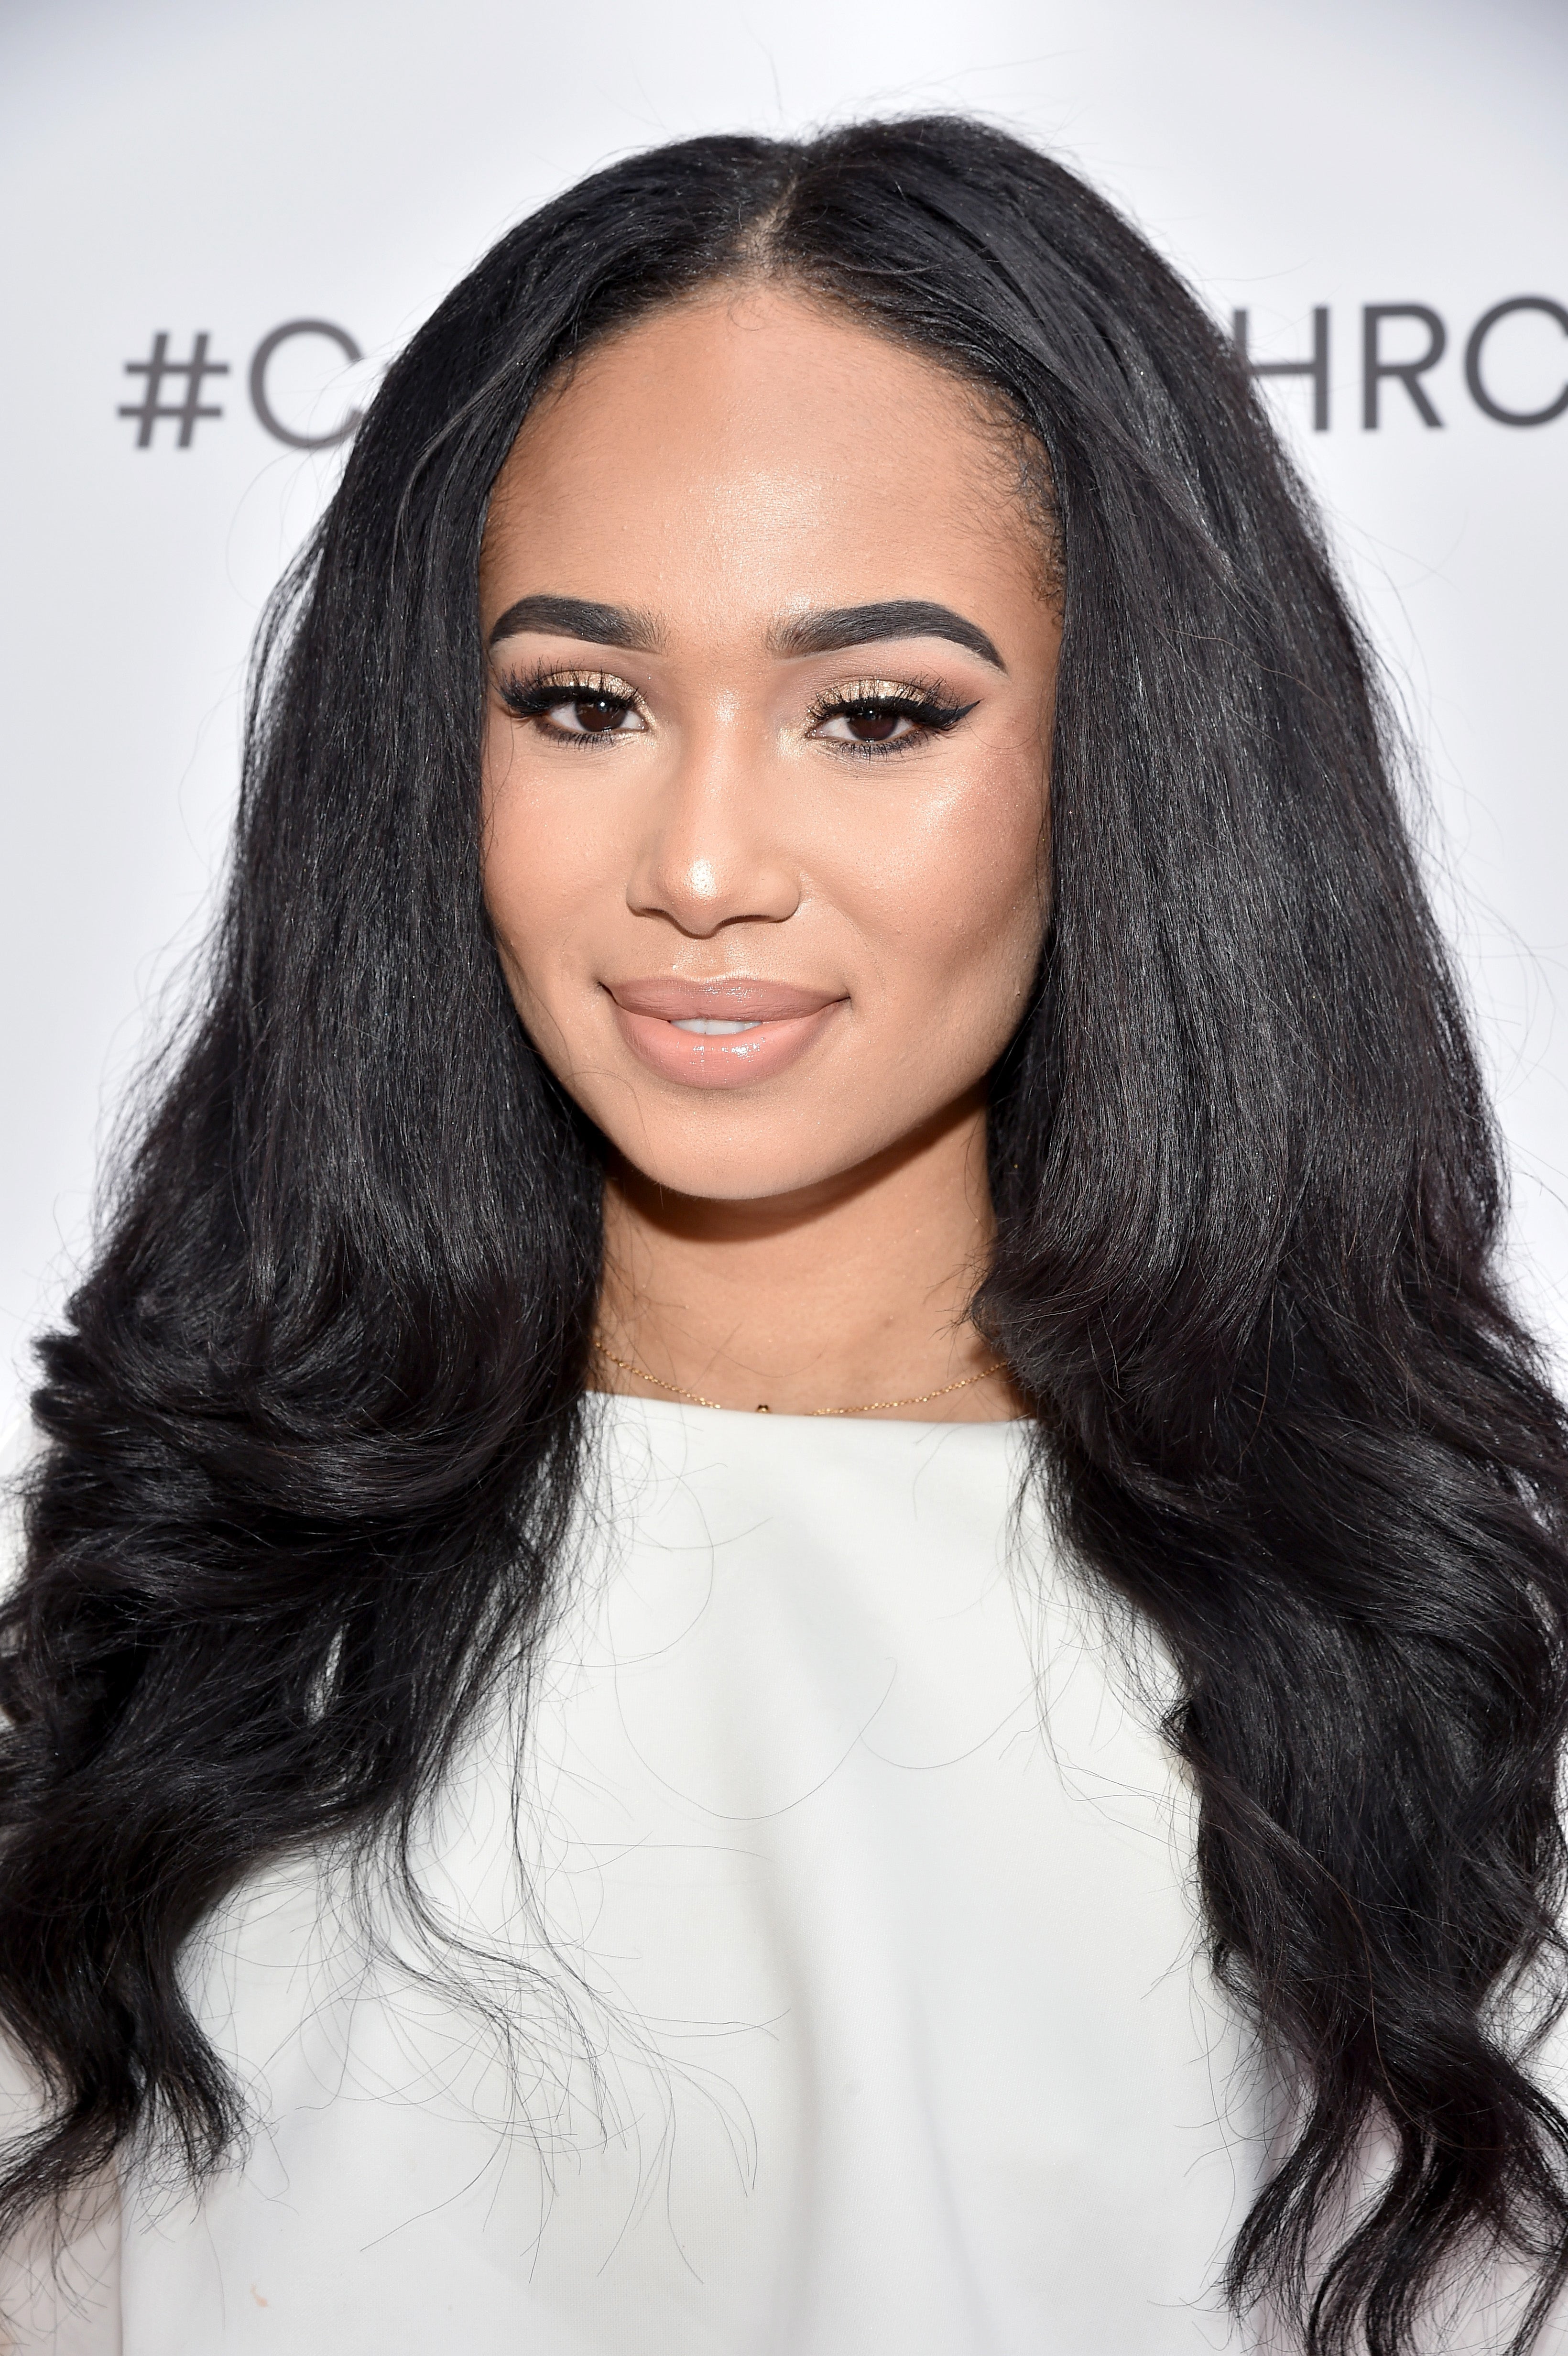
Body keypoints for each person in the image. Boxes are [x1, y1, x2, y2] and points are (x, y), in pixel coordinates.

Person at [3, 113, 1568, 2356]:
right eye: (585, 702)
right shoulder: (134, 1609)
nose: (707, 860)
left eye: (874, 713)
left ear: (1133, 754)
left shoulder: (1429, 1676)